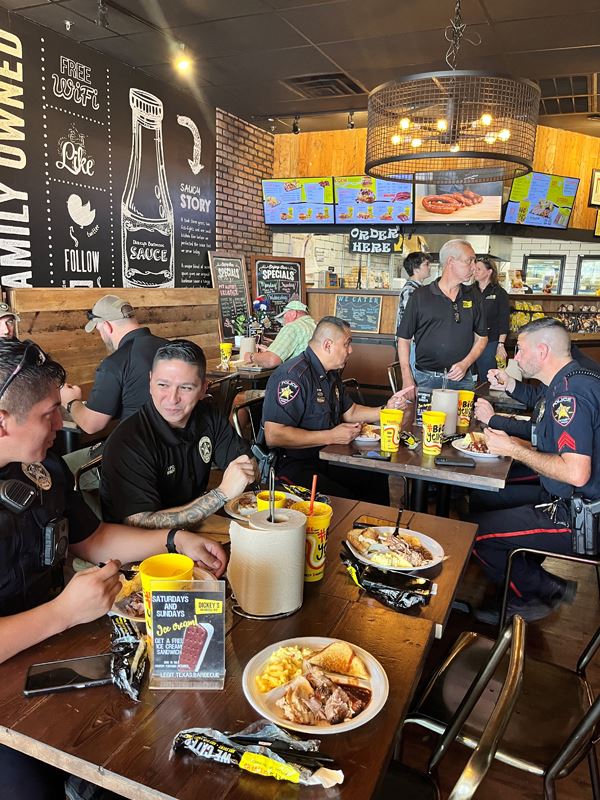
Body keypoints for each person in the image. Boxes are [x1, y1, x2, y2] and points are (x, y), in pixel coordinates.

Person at [0, 338, 227, 798]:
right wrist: (63, 612)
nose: (61, 424)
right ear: (2, 422)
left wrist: (174, 539)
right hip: (19, 678)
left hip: (57, 652)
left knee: (156, 736)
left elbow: (94, 538)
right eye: (49, 414)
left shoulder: (41, 467)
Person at [470, 317, 600, 624]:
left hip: (582, 517)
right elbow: (543, 430)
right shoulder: (568, 381)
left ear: (542, 351)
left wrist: (514, 450)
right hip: (569, 498)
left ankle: (539, 592)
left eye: (520, 349)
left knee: (477, 534)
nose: (514, 357)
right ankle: (521, 567)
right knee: (484, 496)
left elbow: (576, 473)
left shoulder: (570, 395)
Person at [100, 339, 256, 528]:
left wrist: (246, 471)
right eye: (163, 385)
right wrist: (221, 494)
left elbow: (246, 463)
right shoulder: (128, 441)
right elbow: (139, 523)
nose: (172, 399)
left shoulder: (208, 415)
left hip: (195, 530)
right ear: (150, 382)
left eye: (186, 387)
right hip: (144, 543)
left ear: (203, 389)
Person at [261, 316, 412, 504]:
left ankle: (372, 523)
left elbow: (350, 412)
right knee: (344, 498)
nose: (351, 350)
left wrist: (385, 409)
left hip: (327, 455)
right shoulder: (293, 376)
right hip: (295, 464)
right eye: (347, 344)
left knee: (375, 475)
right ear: (328, 345)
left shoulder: (330, 373)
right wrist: (331, 436)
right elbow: (274, 435)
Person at [60, 294, 167, 434]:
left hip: (138, 443)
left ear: (107, 326)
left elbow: (91, 425)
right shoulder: (169, 347)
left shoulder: (115, 363)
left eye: (99, 330)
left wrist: (70, 401)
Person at [397, 239, 487, 393]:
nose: (474, 267)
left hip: (463, 380)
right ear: (451, 261)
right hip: (426, 379)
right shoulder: (420, 296)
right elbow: (404, 339)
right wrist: (406, 377)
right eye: (469, 261)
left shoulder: (473, 295)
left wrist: (465, 364)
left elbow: (482, 337)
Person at [244, 300, 316, 368]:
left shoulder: (292, 327)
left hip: (296, 375)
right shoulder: (315, 325)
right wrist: (270, 352)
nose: (284, 323)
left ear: (293, 314)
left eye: (284, 318)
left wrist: (251, 356)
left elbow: (271, 361)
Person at [472, 255, 510, 381]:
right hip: (469, 341)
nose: (475, 272)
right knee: (469, 378)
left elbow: (503, 320)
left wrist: (501, 345)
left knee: (487, 377)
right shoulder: (468, 291)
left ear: (489, 272)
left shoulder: (500, 293)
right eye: (474, 269)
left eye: (479, 269)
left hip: (490, 341)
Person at [394, 252, 431, 370]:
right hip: (411, 342)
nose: (429, 267)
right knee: (413, 375)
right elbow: (412, 319)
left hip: (416, 341)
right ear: (416, 269)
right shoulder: (410, 290)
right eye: (426, 264)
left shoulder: (418, 288)